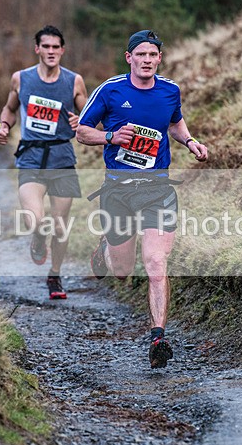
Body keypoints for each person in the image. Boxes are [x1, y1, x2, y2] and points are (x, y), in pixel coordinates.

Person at [77, 29, 209, 368]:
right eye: (141, 54)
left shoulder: (170, 90)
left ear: (159, 58)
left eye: (152, 55)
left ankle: (158, 338)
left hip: (157, 189)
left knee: (155, 263)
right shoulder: (110, 90)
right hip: (118, 190)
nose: (147, 60)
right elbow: (82, 132)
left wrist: (190, 142)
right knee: (122, 271)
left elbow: (175, 124)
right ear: (129, 58)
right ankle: (106, 248)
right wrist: (110, 136)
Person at [0, 25, 88, 300]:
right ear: (37, 49)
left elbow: (91, 118)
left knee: (60, 225)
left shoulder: (74, 82)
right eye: (45, 46)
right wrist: (4, 125)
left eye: (55, 47)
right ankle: (38, 237)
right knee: (36, 220)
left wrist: (81, 122)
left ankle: (55, 275)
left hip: (61, 158)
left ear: (63, 50)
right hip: (31, 157)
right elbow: (10, 109)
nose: (51, 51)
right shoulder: (21, 79)